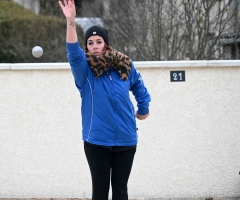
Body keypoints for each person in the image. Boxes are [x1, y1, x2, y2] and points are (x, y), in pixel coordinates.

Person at [59, 0, 151, 199]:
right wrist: (71, 21)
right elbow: (73, 53)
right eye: (90, 43)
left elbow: (139, 87)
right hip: (97, 140)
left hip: (127, 137)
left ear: (106, 43)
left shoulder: (124, 64)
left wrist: (143, 109)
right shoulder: (84, 71)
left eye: (98, 42)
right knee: (100, 191)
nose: (94, 46)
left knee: (120, 189)